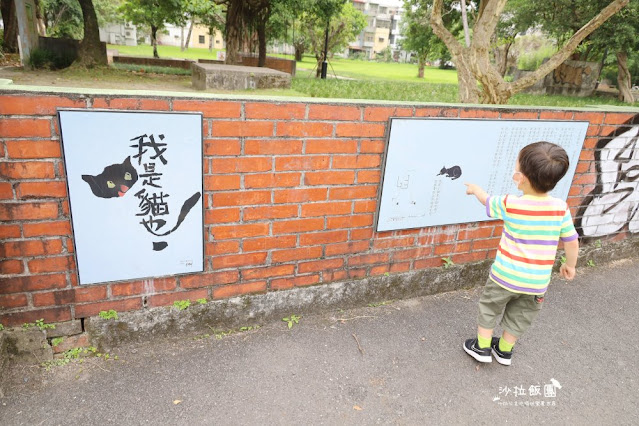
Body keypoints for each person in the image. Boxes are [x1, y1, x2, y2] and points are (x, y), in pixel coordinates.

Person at [463, 141, 580, 366]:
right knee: (521, 316)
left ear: (521, 178)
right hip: (536, 283)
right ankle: (505, 351)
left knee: (489, 308)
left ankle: (482, 347)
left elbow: (487, 200)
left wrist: (476, 189)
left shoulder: (511, 204)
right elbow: (571, 241)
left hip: (504, 276)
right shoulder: (560, 208)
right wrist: (570, 265)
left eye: (516, 168)